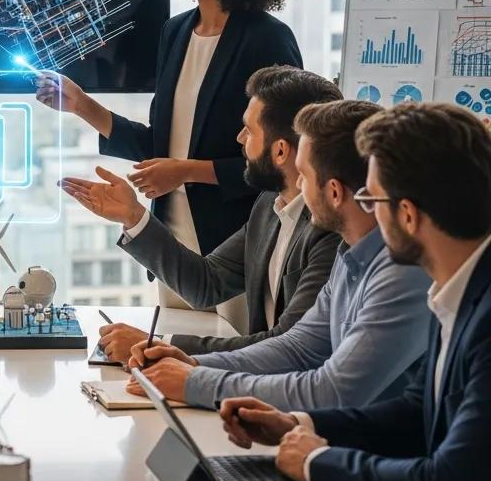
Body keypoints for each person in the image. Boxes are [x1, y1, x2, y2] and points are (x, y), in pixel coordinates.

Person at [219, 103, 491, 481]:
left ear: (407, 215)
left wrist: (319, 462)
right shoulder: (453, 288)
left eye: (376, 200)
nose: (366, 210)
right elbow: (415, 410)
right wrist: (297, 424)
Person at [38, 0, 302, 313]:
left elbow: (283, 162)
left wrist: (185, 172)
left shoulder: (267, 40)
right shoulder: (176, 33)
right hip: (170, 241)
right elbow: (160, 147)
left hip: (235, 247)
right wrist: (82, 105)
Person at [128, 99, 432, 411]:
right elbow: (298, 348)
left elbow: (334, 391)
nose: (297, 185)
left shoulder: (403, 272)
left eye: (304, 176)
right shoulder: (352, 253)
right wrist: (194, 363)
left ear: (335, 192)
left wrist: (194, 382)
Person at [61, 66, 342, 361]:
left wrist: (161, 345)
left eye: (249, 130)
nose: (239, 138)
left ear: (281, 151)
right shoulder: (269, 205)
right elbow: (207, 283)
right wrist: (133, 216)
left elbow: (286, 348)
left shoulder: (330, 230)